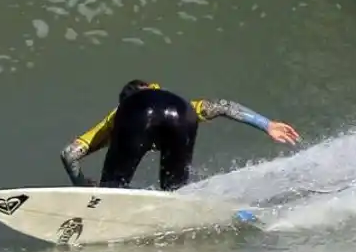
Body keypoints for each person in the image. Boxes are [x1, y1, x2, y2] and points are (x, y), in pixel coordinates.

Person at [60, 80, 300, 191]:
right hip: (181, 112)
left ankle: (107, 195)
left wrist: (82, 187)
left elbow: (69, 155)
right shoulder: (184, 103)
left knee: (111, 189)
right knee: (175, 191)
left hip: (137, 114)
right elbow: (224, 106)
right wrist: (267, 124)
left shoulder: (119, 113)